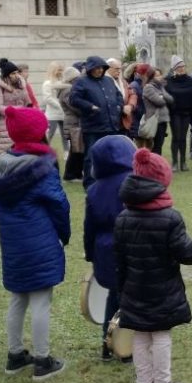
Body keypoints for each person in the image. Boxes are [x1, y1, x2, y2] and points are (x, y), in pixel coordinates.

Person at [0, 106, 70, 381]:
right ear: (37, 133)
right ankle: (43, 360)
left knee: (18, 297)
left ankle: (15, 354)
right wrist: (64, 234)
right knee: (41, 298)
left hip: (12, 243)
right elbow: (59, 205)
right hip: (39, 240)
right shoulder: (40, 169)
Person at [115, 149, 192, 383]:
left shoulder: (123, 218)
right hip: (163, 290)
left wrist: (121, 290)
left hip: (134, 289)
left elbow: (119, 259)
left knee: (141, 335)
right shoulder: (170, 218)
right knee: (160, 336)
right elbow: (188, 253)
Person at [84, 135, 135, 359]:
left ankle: (107, 343)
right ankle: (125, 347)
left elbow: (89, 227)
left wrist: (90, 253)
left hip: (104, 251)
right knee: (131, 299)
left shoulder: (94, 190)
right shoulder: (133, 183)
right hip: (129, 250)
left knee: (112, 297)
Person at [69, 56, 124, 188]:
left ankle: (108, 179)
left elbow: (118, 96)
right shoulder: (81, 82)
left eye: (101, 68)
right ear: (90, 69)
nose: (99, 70)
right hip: (93, 125)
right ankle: (90, 183)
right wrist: (90, 107)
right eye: (96, 68)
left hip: (111, 124)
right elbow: (74, 99)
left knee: (110, 154)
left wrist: (118, 107)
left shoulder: (108, 81)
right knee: (91, 156)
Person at [0, 59, 33, 154]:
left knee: (21, 154)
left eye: (17, 72)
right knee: (4, 154)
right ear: (6, 75)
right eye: (13, 73)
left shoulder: (21, 86)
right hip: (5, 125)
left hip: (21, 123)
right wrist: (15, 111)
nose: (16, 75)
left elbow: (28, 103)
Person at [165, 56, 192, 172]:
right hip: (174, 113)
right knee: (176, 137)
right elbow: (167, 95)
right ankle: (174, 162)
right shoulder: (169, 80)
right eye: (179, 66)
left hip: (186, 113)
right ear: (174, 68)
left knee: (183, 138)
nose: (182, 68)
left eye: (183, 66)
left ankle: (183, 162)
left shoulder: (189, 80)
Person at [57, 66, 84, 181]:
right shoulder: (68, 91)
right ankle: (70, 174)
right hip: (73, 123)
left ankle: (76, 173)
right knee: (75, 151)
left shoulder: (69, 89)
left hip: (74, 122)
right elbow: (75, 107)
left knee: (77, 150)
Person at [141, 66, 174, 155]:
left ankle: (156, 164)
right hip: (155, 121)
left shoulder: (160, 87)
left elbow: (170, 99)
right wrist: (163, 97)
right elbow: (160, 102)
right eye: (156, 76)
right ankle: (154, 165)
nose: (159, 78)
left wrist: (161, 95)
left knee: (160, 144)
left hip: (163, 120)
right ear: (151, 76)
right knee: (155, 146)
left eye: (160, 75)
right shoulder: (148, 87)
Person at [41, 62, 67, 153]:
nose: (60, 72)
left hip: (63, 113)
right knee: (50, 133)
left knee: (65, 134)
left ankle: (66, 153)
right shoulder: (47, 83)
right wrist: (59, 105)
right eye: (58, 70)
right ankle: (44, 151)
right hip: (52, 113)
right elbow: (47, 98)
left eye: (61, 70)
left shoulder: (62, 82)